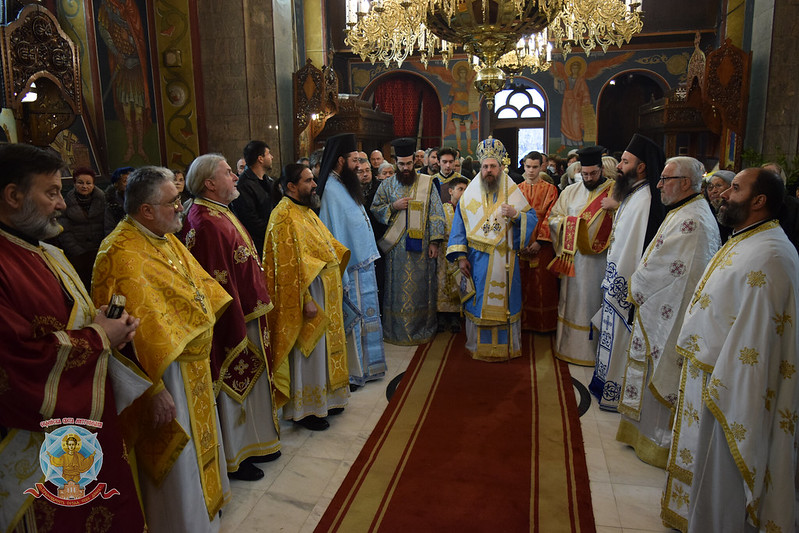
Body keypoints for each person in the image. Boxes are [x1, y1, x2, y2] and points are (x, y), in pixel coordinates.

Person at [0, 144, 145, 533]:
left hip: (81, 421)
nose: (61, 205)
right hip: (33, 445)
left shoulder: (43, 251)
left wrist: (104, 326)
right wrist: (100, 337)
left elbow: (64, 323)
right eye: (50, 193)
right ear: (13, 196)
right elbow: (14, 362)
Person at [93, 166, 232, 532]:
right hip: (165, 377)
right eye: (173, 202)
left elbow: (201, 286)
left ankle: (205, 519)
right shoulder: (117, 253)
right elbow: (116, 335)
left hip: (193, 368)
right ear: (146, 210)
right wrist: (152, 391)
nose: (181, 208)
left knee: (200, 453)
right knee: (178, 465)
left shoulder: (164, 236)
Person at [662, 167, 799, 532]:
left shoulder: (770, 256)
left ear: (759, 201)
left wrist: (727, 386)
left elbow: (756, 341)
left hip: (732, 389)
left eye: (734, 189)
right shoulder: (746, 238)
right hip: (710, 375)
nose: (722, 194)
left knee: (723, 478)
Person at [181, 154, 281, 482]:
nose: (235, 177)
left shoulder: (219, 211)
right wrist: (235, 317)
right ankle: (239, 454)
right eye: (227, 173)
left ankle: (258, 442)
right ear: (210, 183)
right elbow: (215, 280)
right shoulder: (205, 221)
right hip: (236, 317)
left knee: (252, 384)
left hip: (250, 310)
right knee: (237, 385)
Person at [616, 156, 720, 468]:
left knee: (661, 372)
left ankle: (656, 441)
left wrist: (636, 285)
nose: (660, 184)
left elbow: (668, 268)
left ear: (686, 183)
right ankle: (640, 434)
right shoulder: (685, 211)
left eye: (666, 179)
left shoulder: (695, 220)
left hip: (671, 312)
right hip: (662, 305)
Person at [264, 164, 350, 431]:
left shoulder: (305, 210)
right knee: (308, 352)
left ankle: (328, 399)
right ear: (291, 185)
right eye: (308, 180)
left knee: (323, 351)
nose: (314, 185)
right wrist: (305, 301)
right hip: (308, 298)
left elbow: (325, 247)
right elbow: (286, 269)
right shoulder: (282, 216)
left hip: (325, 294)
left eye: (313, 179)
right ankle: (307, 410)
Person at [590, 134, 666, 411]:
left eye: (624, 161)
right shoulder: (633, 194)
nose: (619, 167)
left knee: (621, 344)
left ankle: (616, 394)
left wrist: (619, 284)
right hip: (615, 280)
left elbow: (635, 248)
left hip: (624, 287)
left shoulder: (644, 199)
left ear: (642, 167)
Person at [447, 138, 536, 361]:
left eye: (493, 166)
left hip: (506, 260)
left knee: (506, 302)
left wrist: (516, 215)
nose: (488, 171)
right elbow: (459, 226)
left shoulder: (512, 190)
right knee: (478, 306)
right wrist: (460, 258)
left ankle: (506, 348)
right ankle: (479, 347)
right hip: (477, 262)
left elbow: (531, 218)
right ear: (480, 166)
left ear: (501, 167)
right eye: (485, 166)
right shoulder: (469, 194)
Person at [317, 134, 387, 389]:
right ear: (339, 161)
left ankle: (368, 367)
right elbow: (331, 234)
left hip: (363, 264)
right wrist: (341, 272)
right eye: (353, 160)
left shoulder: (344, 184)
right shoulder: (330, 192)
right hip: (350, 270)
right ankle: (354, 372)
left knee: (366, 318)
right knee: (354, 321)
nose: (358, 165)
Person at [371, 137, 446, 345]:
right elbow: (375, 209)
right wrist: (393, 206)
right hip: (396, 251)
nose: (405, 168)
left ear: (415, 162)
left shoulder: (427, 184)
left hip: (422, 249)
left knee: (422, 288)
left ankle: (422, 329)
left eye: (409, 164)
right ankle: (396, 331)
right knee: (397, 291)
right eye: (401, 164)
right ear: (396, 162)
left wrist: (435, 243)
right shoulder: (386, 185)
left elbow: (437, 213)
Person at [547, 145, 614, 365]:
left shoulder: (614, 192)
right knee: (572, 302)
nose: (589, 177)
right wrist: (570, 224)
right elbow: (554, 218)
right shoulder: (569, 192)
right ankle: (568, 347)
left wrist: (615, 207)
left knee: (594, 302)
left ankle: (594, 353)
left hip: (599, 262)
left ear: (601, 170)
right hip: (573, 260)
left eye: (593, 173)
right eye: (585, 174)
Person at [58, 167, 106, 288]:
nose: (84, 186)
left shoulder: (103, 200)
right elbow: (64, 231)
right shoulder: (66, 203)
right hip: (77, 253)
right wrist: (77, 251)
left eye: (88, 183)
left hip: (99, 251)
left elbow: (108, 225)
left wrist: (102, 247)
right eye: (80, 182)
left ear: (93, 184)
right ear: (74, 183)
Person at [230, 140, 274, 257]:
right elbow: (250, 219)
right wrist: (273, 231)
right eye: (269, 154)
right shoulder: (244, 184)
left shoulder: (268, 181)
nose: (272, 157)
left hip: (270, 239)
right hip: (258, 244)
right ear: (260, 158)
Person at [437, 176, 469, 332]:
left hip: (461, 252)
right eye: (460, 189)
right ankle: (442, 316)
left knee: (459, 282)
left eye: (465, 189)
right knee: (442, 282)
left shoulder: (469, 209)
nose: (463, 192)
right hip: (444, 251)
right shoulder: (442, 208)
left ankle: (457, 315)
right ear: (451, 191)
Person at [706, 169, 734, 243]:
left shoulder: (736, 212)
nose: (714, 191)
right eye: (710, 187)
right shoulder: (705, 208)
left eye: (718, 186)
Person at [104, 166, 133, 233]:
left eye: (132, 180)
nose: (129, 183)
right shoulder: (112, 204)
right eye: (125, 181)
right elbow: (109, 228)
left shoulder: (143, 199)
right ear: (117, 184)